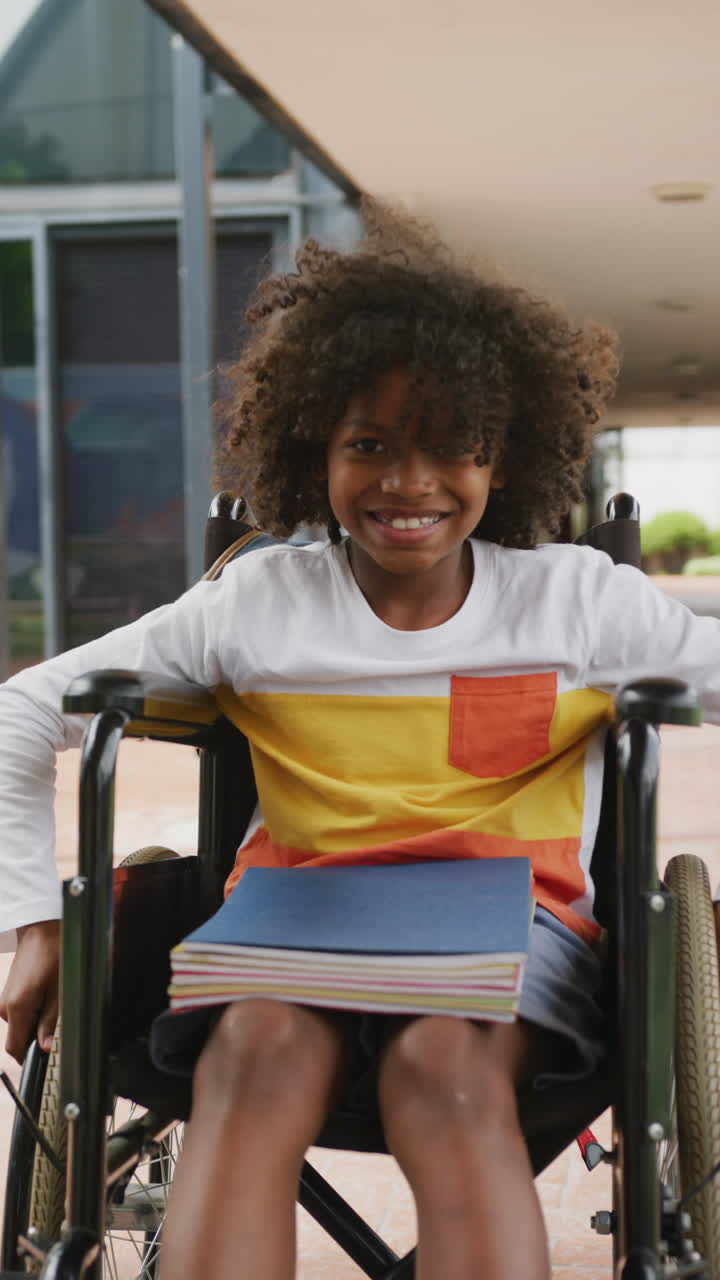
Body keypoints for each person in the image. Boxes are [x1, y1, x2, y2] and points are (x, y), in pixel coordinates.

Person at [1, 202, 720, 1280]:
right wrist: (34, 920)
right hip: (292, 921)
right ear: (314, 450)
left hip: (510, 927)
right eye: (368, 445)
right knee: (249, 1054)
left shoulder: (579, 602)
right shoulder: (258, 604)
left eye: (449, 448)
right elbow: (24, 706)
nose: (407, 483)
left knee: (447, 1064)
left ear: (503, 455)